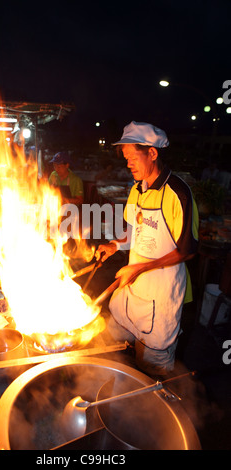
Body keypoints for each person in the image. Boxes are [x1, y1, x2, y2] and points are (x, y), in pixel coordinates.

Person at [96, 121, 199, 377]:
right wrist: (113, 245)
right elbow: (132, 232)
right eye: (126, 158)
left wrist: (142, 267)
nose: (128, 163)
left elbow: (187, 251)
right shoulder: (136, 190)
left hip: (162, 294)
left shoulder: (178, 194)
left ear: (152, 153)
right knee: (114, 340)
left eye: (133, 157)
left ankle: (156, 409)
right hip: (134, 289)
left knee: (153, 369)